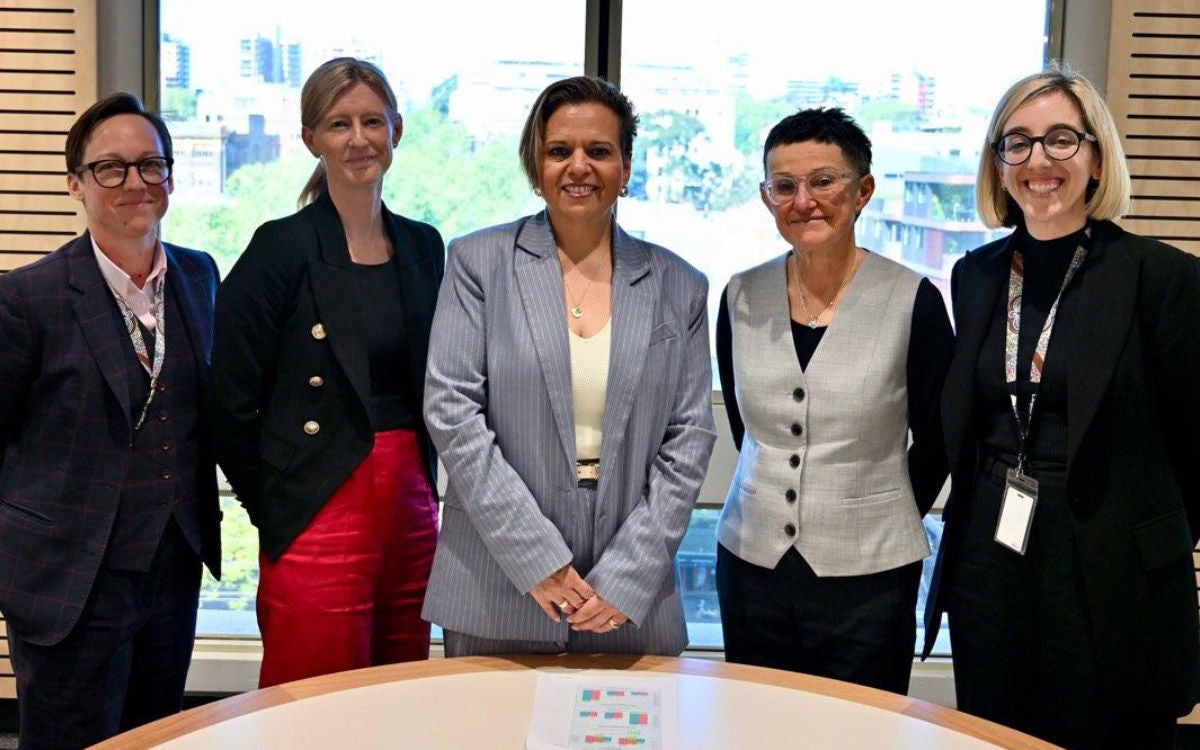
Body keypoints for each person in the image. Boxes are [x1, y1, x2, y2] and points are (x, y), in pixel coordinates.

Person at [923, 68, 1200, 748]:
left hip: (1111, 560)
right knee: (996, 727)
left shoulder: (1160, 277)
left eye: (1060, 140)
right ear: (998, 164)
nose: (1038, 160)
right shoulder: (977, 274)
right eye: (1016, 143)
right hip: (993, 547)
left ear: (1097, 156)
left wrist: (1155, 542)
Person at [421, 76, 715, 656]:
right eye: (560, 151)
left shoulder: (680, 285)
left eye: (599, 151)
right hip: (495, 584)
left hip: (629, 599)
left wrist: (628, 577)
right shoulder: (477, 263)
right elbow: (451, 411)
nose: (579, 166)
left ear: (626, 167)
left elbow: (690, 439)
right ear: (538, 164)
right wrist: (537, 559)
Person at [209, 58, 444, 688]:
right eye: (339, 124)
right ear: (311, 138)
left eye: (372, 121)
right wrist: (277, 502)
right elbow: (227, 401)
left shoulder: (425, 246)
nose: (359, 139)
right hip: (316, 499)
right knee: (314, 695)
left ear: (398, 128)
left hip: (412, 503)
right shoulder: (279, 248)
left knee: (400, 684)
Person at [0, 92, 221, 748]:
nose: (134, 182)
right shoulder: (27, 297)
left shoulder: (200, 275)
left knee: (155, 737)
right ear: (77, 184)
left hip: (171, 570)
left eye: (150, 165)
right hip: (66, 584)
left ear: (171, 178)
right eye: (111, 168)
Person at [715, 108, 954, 695]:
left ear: (862, 190)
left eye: (823, 181)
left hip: (869, 579)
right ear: (766, 197)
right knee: (757, 723)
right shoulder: (740, 294)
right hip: (752, 565)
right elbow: (748, 427)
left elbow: (941, 437)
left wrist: (878, 505)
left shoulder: (914, 300)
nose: (804, 201)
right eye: (785, 186)